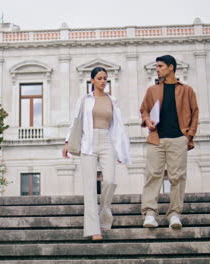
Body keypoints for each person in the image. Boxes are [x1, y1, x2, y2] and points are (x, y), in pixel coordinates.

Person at [62, 67, 131, 240]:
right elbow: (75, 122)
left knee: (110, 180)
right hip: (88, 142)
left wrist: (121, 150)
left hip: (107, 140)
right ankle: (94, 230)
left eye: (105, 78)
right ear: (92, 80)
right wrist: (67, 141)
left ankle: (104, 213)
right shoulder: (85, 100)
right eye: (99, 78)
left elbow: (118, 127)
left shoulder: (112, 100)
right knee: (90, 187)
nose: (102, 81)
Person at [139, 55, 199, 229]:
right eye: (156, 66)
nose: (157, 69)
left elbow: (195, 113)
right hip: (156, 139)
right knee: (152, 175)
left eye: (160, 66)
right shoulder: (152, 90)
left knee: (177, 177)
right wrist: (147, 120)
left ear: (171, 67)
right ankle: (150, 213)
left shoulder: (187, 90)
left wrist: (188, 136)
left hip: (178, 139)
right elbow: (144, 110)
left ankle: (174, 214)